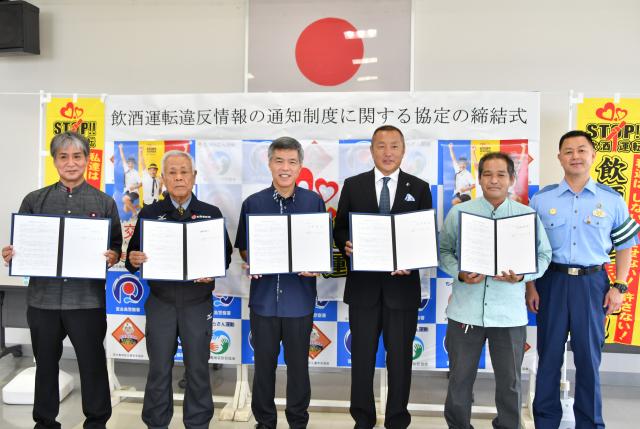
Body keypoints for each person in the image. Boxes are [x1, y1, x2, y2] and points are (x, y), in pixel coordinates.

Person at [2, 132, 122, 429]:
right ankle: (45, 422)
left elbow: (116, 246)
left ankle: (96, 423)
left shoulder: (104, 202)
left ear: (87, 160)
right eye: (63, 157)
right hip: (42, 301)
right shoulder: (35, 200)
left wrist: (112, 256)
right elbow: (23, 244)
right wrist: (13, 254)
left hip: (86, 302)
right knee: (45, 365)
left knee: (92, 365)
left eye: (77, 156)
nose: (71, 163)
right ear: (54, 161)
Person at [528, 130, 640, 429]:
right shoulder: (542, 199)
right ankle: (546, 422)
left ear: (593, 155)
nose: (575, 156)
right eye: (568, 151)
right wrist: (530, 285)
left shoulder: (611, 200)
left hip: (592, 285)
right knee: (549, 357)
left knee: (589, 360)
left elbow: (625, 246)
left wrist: (619, 287)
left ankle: (590, 423)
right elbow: (529, 248)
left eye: (581, 150)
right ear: (559, 157)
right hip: (551, 282)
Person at [439, 152, 552, 429]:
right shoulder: (460, 213)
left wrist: (524, 275)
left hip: (508, 315)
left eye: (501, 174)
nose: (494, 180)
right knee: (459, 380)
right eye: (487, 174)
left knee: (510, 382)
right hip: (466, 312)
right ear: (479, 179)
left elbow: (544, 255)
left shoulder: (526, 216)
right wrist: (460, 273)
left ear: (512, 179)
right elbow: (444, 252)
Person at [333, 125, 432, 429]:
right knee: (362, 359)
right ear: (371, 150)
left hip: (402, 290)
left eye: (394, 146)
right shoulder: (354, 185)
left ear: (403, 150)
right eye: (381, 146)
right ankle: (362, 419)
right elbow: (340, 228)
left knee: (400, 360)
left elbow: (425, 234)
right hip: (363, 289)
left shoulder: (419, 188)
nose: (388, 152)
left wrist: (412, 261)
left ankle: (397, 420)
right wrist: (346, 244)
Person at [125, 150, 232, 429]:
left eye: (184, 172)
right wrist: (134, 259)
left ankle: (198, 423)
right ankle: (156, 423)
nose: (179, 177)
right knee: (159, 368)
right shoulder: (150, 213)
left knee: (198, 368)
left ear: (194, 176)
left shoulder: (210, 213)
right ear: (163, 178)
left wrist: (213, 270)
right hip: (161, 303)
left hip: (198, 303)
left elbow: (225, 256)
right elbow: (131, 260)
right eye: (172, 173)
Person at [235, 137, 326, 429]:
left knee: (299, 367)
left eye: (291, 162)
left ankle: (298, 422)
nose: (285, 168)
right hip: (264, 301)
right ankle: (265, 422)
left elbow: (321, 247)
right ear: (269, 163)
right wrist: (253, 259)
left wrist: (316, 265)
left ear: (300, 166)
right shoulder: (253, 203)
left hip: (299, 300)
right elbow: (243, 247)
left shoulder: (313, 202)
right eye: (279, 161)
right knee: (264, 366)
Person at [118, 143, 141, 216]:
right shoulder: (126, 169)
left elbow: (140, 184)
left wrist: (134, 187)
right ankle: (138, 206)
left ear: (133, 164)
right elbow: (123, 158)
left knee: (124, 199)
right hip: (127, 191)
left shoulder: (136, 173)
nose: (130, 164)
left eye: (132, 163)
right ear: (127, 164)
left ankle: (135, 213)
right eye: (129, 163)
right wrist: (120, 148)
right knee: (126, 210)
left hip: (134, 192)